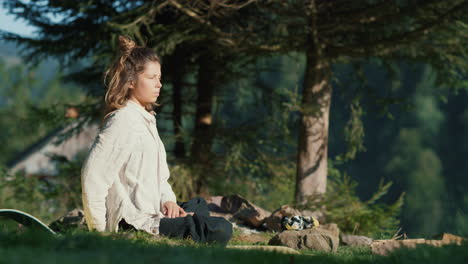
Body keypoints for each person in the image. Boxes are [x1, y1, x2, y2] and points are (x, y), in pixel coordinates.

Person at [80, 35, 232, 245]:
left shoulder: (146, 118)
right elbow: (93, 177)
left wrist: (168, 201)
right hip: (134, 221)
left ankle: (179, 220)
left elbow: (159, 179)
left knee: (198, 205)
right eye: (152, 78)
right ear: (131, 81)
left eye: (159, 78)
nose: (159, 84)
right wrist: (98, 234)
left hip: (154, 211)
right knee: (221, 228)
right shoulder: (123, 120)